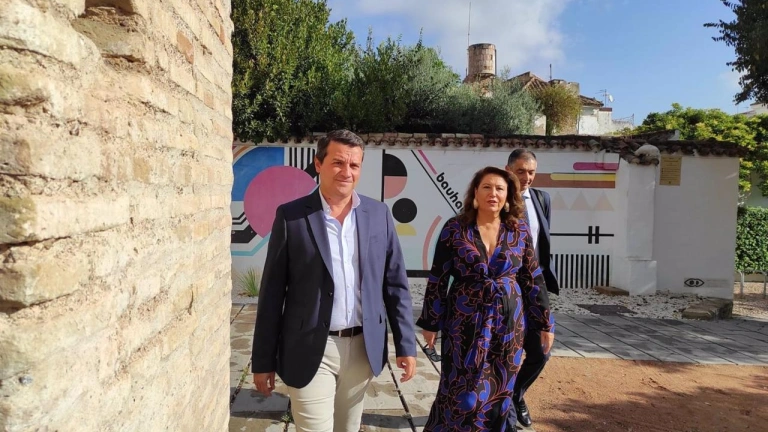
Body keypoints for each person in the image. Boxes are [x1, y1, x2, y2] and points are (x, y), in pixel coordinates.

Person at [250, 130, 418, 432]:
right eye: (338, 163)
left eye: (354, 165)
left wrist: (406, 344)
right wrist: (263, 360)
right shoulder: (292, 217)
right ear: (319, 164)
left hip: (363, 348)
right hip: (309, 346)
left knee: (348, 428)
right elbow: (272, 293)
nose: (346, 172)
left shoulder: (378, 214)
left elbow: (395, 284)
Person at [417, 166, 555, 431]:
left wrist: (545, 323)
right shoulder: (455, 228)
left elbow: (532, 278)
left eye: (500, 189)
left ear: (508, 196)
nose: (493, 193)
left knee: (500, 388)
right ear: (475, 193)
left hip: (508, 324)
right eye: (487, 187)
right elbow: (438, 277)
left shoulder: (519, 230)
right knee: (459, 388)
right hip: (463, 322)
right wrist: (431, 322)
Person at [504, 149, 559, 430]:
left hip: (535, 288)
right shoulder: (497, 199)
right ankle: (504, 411)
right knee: (506, 351)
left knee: (541, 351)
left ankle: (517, 394)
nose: (526, 177)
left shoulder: (542, 199)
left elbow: (542, 244)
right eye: (521, 171)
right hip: (506, 288)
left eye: (531, 172)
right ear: (508, 170)